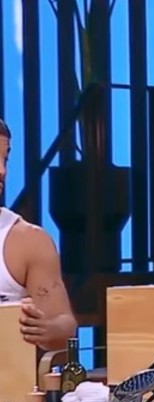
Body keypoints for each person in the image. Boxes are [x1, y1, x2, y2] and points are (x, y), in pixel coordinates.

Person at [0, 118, 78, 351]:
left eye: (5, 160)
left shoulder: (28, 241)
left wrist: (47, 329)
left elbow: (66, 327)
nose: (2, 171)